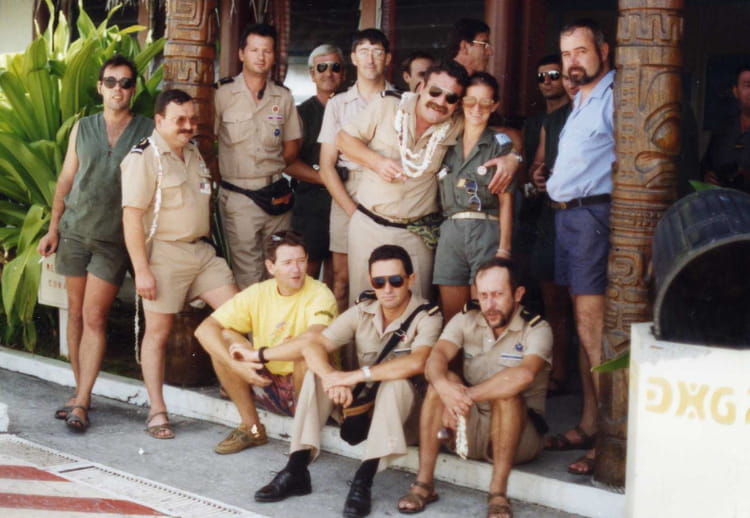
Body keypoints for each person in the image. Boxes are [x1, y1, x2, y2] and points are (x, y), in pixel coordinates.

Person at [253, 245, 442, 518]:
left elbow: (417, 362)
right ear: (371, 282)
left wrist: (353, 376)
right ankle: (296, 469)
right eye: (379, 282)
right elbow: (313, 345)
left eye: (395, 280)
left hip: (403, 419)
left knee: (397, 383)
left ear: (410, 279)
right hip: (360, 407)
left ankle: (363, 480)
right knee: (315, 373)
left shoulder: (427, 315)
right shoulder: (363, 309)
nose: (387, 289)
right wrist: (331, 377)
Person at [336, 61, 522, 304]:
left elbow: (505, 136)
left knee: (418, 307)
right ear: (421, 87)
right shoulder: (387, 106)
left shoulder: (455, 122)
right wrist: (377, 162)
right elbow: (343, 139)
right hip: (370, 225)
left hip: (416, 232)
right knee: (365, 304)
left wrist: (513, 158)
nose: (440, 101)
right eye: (435, 92)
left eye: (451, 97)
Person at [37, 55, 154, 433]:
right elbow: (66, 179)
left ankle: (83, 400)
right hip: (74, 232)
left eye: (126, 83)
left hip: (113, 240)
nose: (118, 89)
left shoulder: (147, 130)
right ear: (100, 87)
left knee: (94, 317)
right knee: (75, 313)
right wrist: (53, 229)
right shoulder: (83, 127)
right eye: (111, 82)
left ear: (133, 90)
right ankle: (79, 394)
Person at [121, 89, 238, 439]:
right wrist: (142, 269)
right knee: (158, 334)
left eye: (192, 119)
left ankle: (233, 383)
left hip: (201, 253)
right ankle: (157, 411)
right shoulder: (144, 157)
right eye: (180, 120)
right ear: (159, 121)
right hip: (165, 255)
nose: (188, 126)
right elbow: (131, 218)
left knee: (238, 314)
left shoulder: (193, 151)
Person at [397, 257, 552, 518]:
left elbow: (524, 375)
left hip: (520, 435)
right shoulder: (467, 318)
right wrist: (444, 388)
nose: (489, 305)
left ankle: (498, 494)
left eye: (498, 295)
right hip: (471, 425)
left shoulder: (537, 328)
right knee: (442, 382)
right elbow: (436, 357)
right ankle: (424, 484)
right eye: (484, 295)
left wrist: (463, 396)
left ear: (518, 294)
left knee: (507, 395)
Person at [536, 18, 615, 476]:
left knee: (593, 331)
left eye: (581, 52)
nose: (572, 62)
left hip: (593, 218)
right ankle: (588, 424)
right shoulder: (581, 99)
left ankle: (611, 441)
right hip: (568, 217)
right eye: (566, 54)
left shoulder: (615, 96)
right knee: (584, 333)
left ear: (603, 52)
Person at [194, 230, 338, 454]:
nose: (296, 269)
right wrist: (236, 366)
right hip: (268, 384)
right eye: (287, 263)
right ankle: (251, 428)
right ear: (271, 267)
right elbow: (204, 330)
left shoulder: (321, 293)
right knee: (224, 337)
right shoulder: (259, 292)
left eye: (301, 261)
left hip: (307, 391)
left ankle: (305, 441)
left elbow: (313, 338)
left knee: (307, 354)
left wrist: (259, 355)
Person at [214, 23, 303, 289]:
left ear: (274, 56)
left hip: (276, 196)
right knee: (249, 275)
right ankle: (252, 320)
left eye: (267, 51)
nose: (261, 57)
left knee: (280, 271)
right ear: (241, 54)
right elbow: (208, 146)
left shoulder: (283, 97)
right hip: (239, 197)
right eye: (254, 50)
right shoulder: (222, 93)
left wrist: (270, 169)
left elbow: (291, 148)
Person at [317, 29, 393, 313]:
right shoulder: (338, 104)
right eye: (364, 52)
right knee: (342, 280)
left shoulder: (403, 100)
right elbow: (326, 166)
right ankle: (342, 342)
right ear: (353, 58)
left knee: (385, 276)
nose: (370, 59)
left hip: (388, 192)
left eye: (377, 52)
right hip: (348, 191)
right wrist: (351, 210)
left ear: (387, 58)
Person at [433, 72, 519, 322]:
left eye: (485, 102)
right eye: (470, 101)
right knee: (453, 318)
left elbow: (506, 200)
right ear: (461, 103)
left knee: (484, 315)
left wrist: (504, 249)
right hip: (450, 232)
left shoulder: (500, 145)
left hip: (486, 232)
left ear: (495, 105)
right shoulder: (445, 141)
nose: (477, 109)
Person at [528, 72, 579, 395]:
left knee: (585, 302)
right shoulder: (554, 119)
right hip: (553, 215)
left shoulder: (609, 113)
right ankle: (558, 372)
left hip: (587, 216)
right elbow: (538, 163)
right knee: (554, 301)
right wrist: (537, 175)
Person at [290, 44, 346, 284]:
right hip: (311, 203)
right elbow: (288, 163)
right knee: (306, 276)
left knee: (339, 279)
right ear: (312, 74)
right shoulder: (300, 113)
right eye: (321, 68)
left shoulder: (353, 109)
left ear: (343, 73)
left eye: (335, 67)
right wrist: (326, 178)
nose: (328, 73)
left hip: (345, 201)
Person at [701, 63, 750, 194]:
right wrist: (707, 176)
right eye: (747, 85)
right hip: (723, 202)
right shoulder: (723, 129)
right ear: (735, 91)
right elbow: (706, 165)